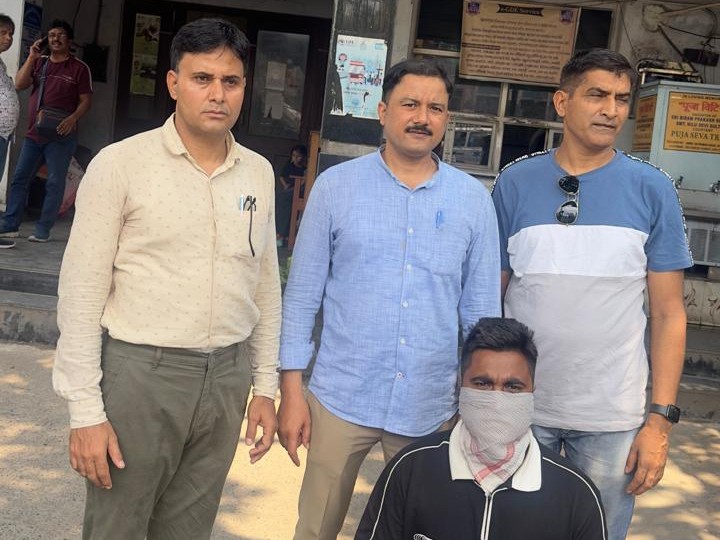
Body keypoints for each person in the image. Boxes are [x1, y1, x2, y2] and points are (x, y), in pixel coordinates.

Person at [52, 18, 281, 539]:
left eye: (231, 81)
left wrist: (264, 387)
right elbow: (82, 294)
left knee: (188, 530)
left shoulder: (258, 173)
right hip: (141, 376)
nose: (218, 94)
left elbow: (264, 285)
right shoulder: (120, 165)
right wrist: (85, 411)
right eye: (202, 79)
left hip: (226, 378)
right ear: (174, 83)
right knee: (118, 528)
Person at [278, 58, 501, 540]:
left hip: (430, 404)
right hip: (340, 396)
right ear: (383, 112)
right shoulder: (336, 188)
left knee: (420, 530)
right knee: (316, 527)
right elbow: (301, 297)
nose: (422, 117)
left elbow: (482, 316)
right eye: (410, 104)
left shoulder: (473, 200)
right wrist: (291, 391)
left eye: (435, 108)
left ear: (446, 119)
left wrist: (478, 403)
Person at [492, 48, 693, 540]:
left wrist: (659, 422)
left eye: (622, 99)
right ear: (562, 102)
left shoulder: (653, 189)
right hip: (521, 409)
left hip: (612, 419)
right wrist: (483, 399)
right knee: (510, 530)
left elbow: (669, 314)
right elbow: (490, 300)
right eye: (597, 95)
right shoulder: (514, 183)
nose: (611, 110)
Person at [356, 318, 607, 540]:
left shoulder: (575, 493)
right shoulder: (410, 469)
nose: (496, 400)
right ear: (460, 385)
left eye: (512, 387)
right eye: (482, 384)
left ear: (532, 392)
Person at [0, 19, 91, 243]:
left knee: (54, 182)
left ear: (69, 40)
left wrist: (72, 119)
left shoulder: (79, 68)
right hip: (35, 133)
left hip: (61, 134)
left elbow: (86, 100)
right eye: (51, 35)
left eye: (60, 35)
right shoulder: (40, 63)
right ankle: (10, 225)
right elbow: (19, 84)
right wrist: (32, 57)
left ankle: (43, 229)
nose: (55, 39)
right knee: (20, 178)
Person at [0, 14, 17, 250]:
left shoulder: (2, 65)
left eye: (10, 33)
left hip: (4, 134)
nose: (9, 38)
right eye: (3, 33)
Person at [275, 143, 307, 244]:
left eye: (298, 156)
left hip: (299, 191)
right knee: (280, 198)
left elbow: (303, 183)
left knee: (284, 200)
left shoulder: (305, 169)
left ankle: (282, 234)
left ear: (303, 157)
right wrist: (285, 185)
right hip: (288, 190)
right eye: (293, 155)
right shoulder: (289, 166)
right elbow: (282, 177)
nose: (295, 158)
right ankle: (280, 233)